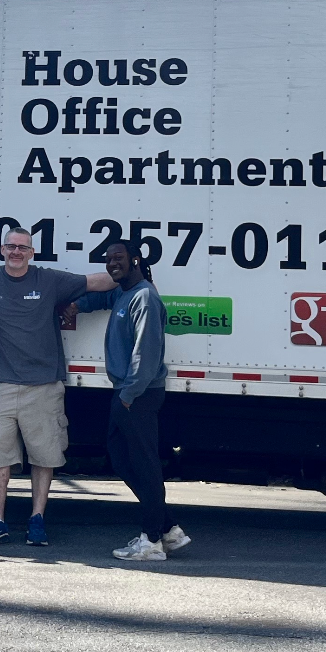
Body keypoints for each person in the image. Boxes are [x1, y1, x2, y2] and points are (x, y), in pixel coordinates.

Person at [0, 226, 113, 548]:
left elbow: (96, 281)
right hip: (2, 385)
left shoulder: (50, 280)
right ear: (2, 250)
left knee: (44, 457)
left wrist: (132, 274)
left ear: (31, 253)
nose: (16, 252)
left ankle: (37, 520)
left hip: (44, 385)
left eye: (22, 248)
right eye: (11, 247)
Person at [71, 239, 190, 562]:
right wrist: (77, 305)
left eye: (119, 258)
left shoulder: (145, 298)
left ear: (135, 260)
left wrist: (128, 395)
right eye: (108, 259)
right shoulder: (124, 292)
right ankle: (168, 529)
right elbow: (102, 297)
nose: (112, 264)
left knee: (144, 466)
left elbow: (145, 354)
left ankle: (151, 541)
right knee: (123, 459)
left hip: (137, 395)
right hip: (128, 394)